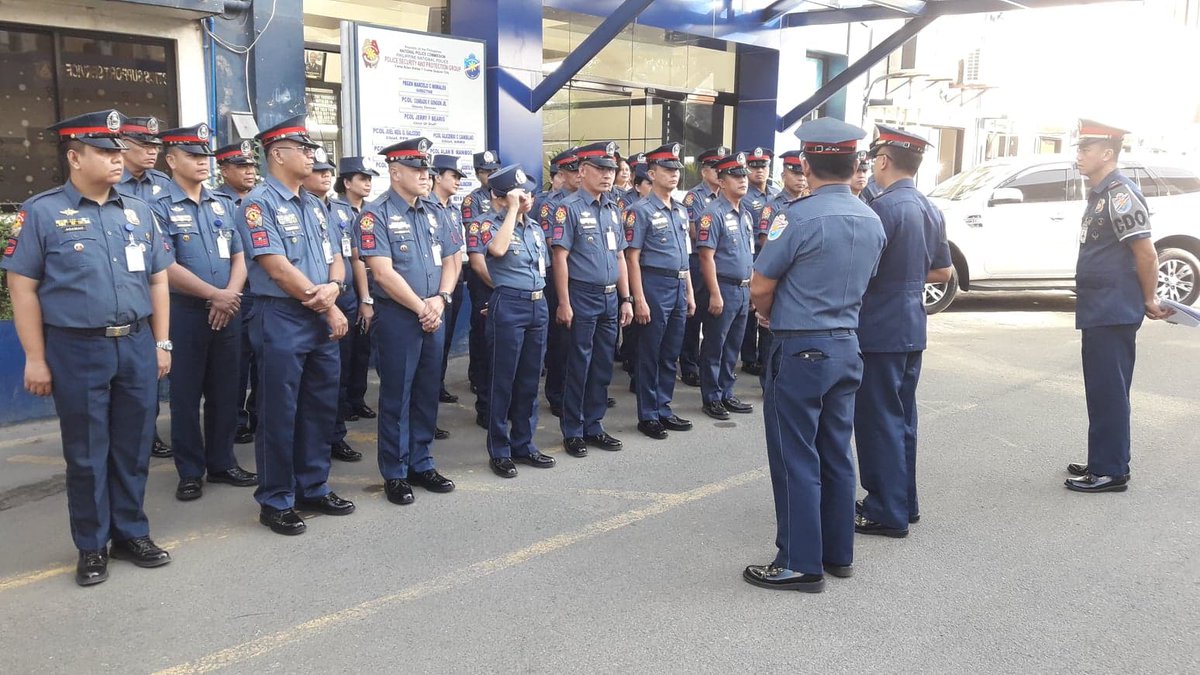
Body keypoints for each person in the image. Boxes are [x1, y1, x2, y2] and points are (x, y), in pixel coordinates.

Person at [3, 109, 175, 586]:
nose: (117, 160)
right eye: (105, 152)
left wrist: (162, 342)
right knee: (86, 453)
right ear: (75, 157)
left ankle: (131, 532)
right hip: (76, 349)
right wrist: (35, 357)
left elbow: (158, 280)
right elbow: (22, 288)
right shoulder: (41, 212)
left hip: (137, 344)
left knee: (133, 446)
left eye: (119, 151)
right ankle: (92, 545)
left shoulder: (139, 211)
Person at [744, 118, 886, 593]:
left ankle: (798, 562)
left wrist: (767, 315)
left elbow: (761, 284)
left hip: (800, 344)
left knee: (794, 455)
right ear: (853, 164)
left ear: (806, 164)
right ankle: (836, 553)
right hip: (847, 342)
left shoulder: (799, 216)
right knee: (836, 451)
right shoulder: (871, 217)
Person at [236, 115, 355, 535]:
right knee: (279, 412)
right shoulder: (257, 204)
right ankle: (276, 498)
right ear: (277, 154)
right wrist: (326, 304)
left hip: (320, 312)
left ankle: (313, 486)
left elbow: (336, 256)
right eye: (302, 148)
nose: (310, 155)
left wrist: (336, 287)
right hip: (282, 316)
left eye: (310, 148)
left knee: (320, 407)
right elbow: (277, 268)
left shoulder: (316, 205)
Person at [852, 125, 953, 537]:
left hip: (879, 327)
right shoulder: (929, 207)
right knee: (902, 418)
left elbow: (861, 269)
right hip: (910, 323)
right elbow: (943, 271)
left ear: (882, 160)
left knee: (878, 421)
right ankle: (903, 501)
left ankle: (886, 511)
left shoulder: (882, 209)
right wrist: (907, 277)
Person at [1065, 119, 1172, 493]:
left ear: (1107, 153)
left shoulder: (1120, 194)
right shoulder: (1102, 193)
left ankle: (1110, 470)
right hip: (1099, 307)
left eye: (1085, 148)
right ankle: (1104, 460)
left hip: (1112, 308)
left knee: (1108, 389)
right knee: (1102, 388)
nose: (1078, 155)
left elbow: (1145, 252)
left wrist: (1149, 297)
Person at [153, 123, 257, 502]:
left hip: (227, 310)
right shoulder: (158, 208)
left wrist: (229, 294)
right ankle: (190, 470)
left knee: (226, 390)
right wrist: (215, 294)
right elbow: (163, 264)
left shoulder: (222, 204)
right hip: (184, 313)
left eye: (204, 157)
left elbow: (241, 254)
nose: (201, 163)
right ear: (171, 160)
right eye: (193, 156)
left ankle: (222, 461)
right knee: (184, 394)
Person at [354, 137, 462, 505]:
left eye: (426, 170)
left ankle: (422, 461)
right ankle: (396, 472)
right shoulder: (376, 214)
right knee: (397, 395)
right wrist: (421, 307)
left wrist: (442, 298)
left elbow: (452, 259)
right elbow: (382, 273)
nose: (424, 176)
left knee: (427, 392)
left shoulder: (436, 211)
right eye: (416, 169)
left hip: (435, 312)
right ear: (394, 171)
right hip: (400, 317)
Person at [467, 164, 558, 478]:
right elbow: (498, 250)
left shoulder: (534, 227)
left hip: (537, 305)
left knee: (530, 380)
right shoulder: (485, 224)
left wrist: (519, 212)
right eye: (518, 193)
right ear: (499, 196)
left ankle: (525, 443)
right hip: (509, 304)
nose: (527, 198)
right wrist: (511, 211)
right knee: (502, 380)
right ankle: (500, 449)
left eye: (528, 192)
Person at [550, 141, 633, 458]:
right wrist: (564, 302)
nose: (608, 175)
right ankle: (573, 430)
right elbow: (560, 259)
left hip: (611, 297)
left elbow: (621, 257)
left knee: (601, 365)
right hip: (581, 295)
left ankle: (594, 425)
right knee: (578, 364)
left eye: (611, 169)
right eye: (600, 168)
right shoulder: (567, 209)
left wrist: (626, 298)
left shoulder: (613, 209)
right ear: (582, 171)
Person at [623, 143, 696, 440]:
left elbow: (686, 255)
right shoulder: (638, 210)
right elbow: (632, 258)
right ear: (651, 173)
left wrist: (690, 292)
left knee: (670, 352)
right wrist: (638, 298)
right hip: (653, 284)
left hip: (678, 284)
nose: (674, 175)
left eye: (676, 170)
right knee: (649, 351)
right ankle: (648, 414)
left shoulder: (680, 210)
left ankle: (664, 407)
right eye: (667, 170)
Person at [115, 115, 174, 459]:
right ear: (122, 145)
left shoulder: (162, 182)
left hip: (160, 281)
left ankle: (147, 431)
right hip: (125, 287)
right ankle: (137, 432)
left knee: (156, 364)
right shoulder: (108, 183)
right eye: (145, 145)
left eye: (156, 146)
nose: (152, 152)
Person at [304, 149, 365, 463]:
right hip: (311, 302)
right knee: (315, 380)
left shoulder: (341, 210)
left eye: (328, 170)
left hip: (345, 297)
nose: (325, 176)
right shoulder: (298, 208)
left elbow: (350, 257)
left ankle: (335, 435)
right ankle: (314, 441)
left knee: (339, 374)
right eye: (318, 171)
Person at [695, 152, 756, 420]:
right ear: (720, 180)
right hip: (723, 287)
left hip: (743, 288)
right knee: (715, 345)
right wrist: (715, 293)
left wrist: (752, 288)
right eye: (735, 176)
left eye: (744, 175)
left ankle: (727, 393)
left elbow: (749, 254)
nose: (742, 180)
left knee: (733, 345)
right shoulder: (712, 214)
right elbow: (706, 257)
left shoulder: (745, 214)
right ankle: (712, 397)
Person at [215, 140, 263, 446]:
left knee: (264, 361)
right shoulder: (215, 202)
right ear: (223, 170)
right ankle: (234, 420)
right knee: (234, 364)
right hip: (233, 294)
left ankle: (259, 414)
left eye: (252, 166)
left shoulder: (264, 199)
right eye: (241, 166)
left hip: (263, 293)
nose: (249, 172)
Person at [333, 156, 381, 422]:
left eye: (370, 179)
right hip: (345, 292)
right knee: (343, 351)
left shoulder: (372, 211)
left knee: (363, 347)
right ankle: (341, 405)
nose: (367, 184)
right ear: (347, 182)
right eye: (362, 179)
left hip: (372, 286)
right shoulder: (334, 210)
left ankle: (356, 397)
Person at [537, 148, 582, 418]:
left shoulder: (592, 201)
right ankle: (557, 392)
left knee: (583, 339)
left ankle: (578, 389)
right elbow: (554, 243)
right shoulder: (552, 204)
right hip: (559, 276)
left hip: (585, 277)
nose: (579, 175)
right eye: (573, 171)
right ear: (561, 174)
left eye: (581, 170)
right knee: (561, 339)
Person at [679, 146, 728, 388]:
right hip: (699, 263)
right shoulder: (694, 197)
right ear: (704, 171)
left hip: (721, 265)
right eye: (715, 168)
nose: (720, 173)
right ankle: (689, 364)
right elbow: (696, 232)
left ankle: (710, 366)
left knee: (714, 320)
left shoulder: (725, 197)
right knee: (694, 316)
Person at [462, 150, 501, 425]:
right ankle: (477, 376)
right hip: (482, 270)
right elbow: (476, 237)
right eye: (486, 172)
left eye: (494, 170)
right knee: (481, 325)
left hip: (503, 271)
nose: (491, 175)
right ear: (478, 174)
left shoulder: (503, 198)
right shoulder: (472, 200)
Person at [429, 154, 467, 408]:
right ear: (437, 176)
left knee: (446, 339)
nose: (457, 182)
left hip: (454, 281)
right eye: (453, 176)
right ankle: (430, 389)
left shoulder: (453, 209)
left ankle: (438, 384)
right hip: (433, 285)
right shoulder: (426, 206)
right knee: (430, 349)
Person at [740, 147, 778, 377]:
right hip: (752, 253)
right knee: (749, 309)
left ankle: (762, 356)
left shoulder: (774, 194)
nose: (759, 171)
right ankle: (748, 356)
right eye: (754, 166)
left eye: (763, 166)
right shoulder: (743, 196)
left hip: (771, 256)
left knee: (765, 309)